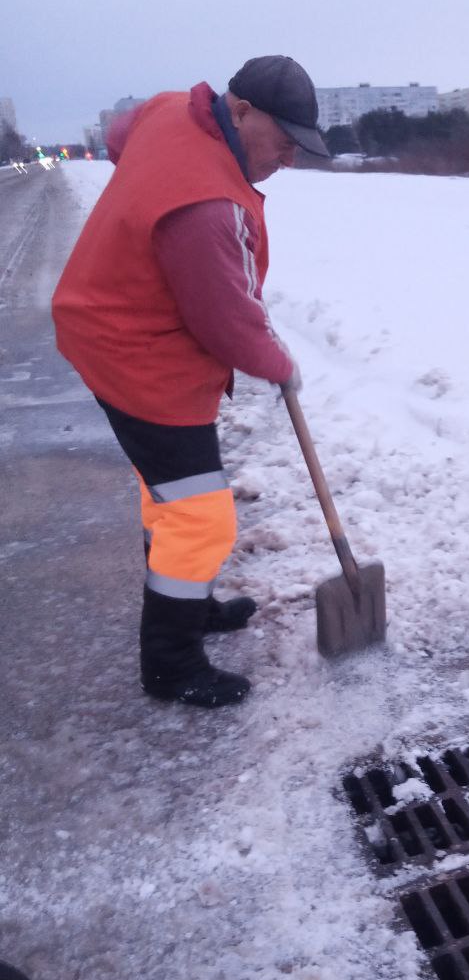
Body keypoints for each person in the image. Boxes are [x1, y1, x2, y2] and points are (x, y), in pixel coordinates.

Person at [52, 55, 329, 708]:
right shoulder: (204, 203)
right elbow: (225, 321)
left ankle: (190, 601)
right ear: (240, 111)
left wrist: (145, 201)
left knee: (172, 498)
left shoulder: (173, 109)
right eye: (284, 142)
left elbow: (121, 134)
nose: (287, 161)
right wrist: (280, 364)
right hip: (140, 356)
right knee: (201, 518)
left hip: (107, 325)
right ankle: (171, 664)